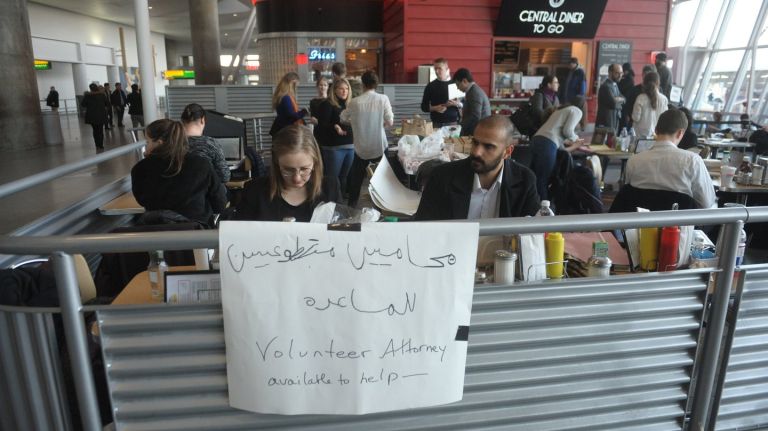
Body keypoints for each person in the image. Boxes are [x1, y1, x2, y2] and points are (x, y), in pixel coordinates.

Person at [414, 115, 540, 221]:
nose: (477, 152)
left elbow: (533, 234)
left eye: (488, 146)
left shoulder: (524, 181)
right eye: (475, 142)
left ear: (507, 152)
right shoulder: (442, 177)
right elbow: (424, 228)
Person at [131, 119, 227, 227]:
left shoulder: (140, 168)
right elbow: (220, 204)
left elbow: (142, 200)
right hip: (196, 232)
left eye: (147, 142)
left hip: (156, 231)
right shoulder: (201, 164)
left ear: (159, 143)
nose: (146, 146)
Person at [235, 124, 340, 222]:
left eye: (304, 169)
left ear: (315, 163)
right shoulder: (254, 191)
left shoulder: (330, 188)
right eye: (288, 170)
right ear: (277, 163)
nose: (297, 178)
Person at [624, 109, 715, 209]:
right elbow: (706, 203)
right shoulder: (692, 161)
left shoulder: (634, 161)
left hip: (640, 222)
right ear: (680, 133)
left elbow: (627, 197)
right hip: (679, 223)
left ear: (656, 130)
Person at [340, 71, 394, 208]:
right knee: (382, 178)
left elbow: (343, 118)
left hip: (361, 147)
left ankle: (352, 206)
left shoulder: (354, 102)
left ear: (363, 84)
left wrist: (355, 122)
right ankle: (382, 207)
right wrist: (380, 124)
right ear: (376, 84)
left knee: (356, 179)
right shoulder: (383, 99)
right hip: (379, 145)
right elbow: (390, 122)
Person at [530, 103, 585, 200]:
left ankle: (532, 208)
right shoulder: (577, 110)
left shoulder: (560, 111)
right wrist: (577, 139)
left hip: (536, 140)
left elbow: (561, 150)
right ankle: (543, 211)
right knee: (543, 181)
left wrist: (574, 145)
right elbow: (568, 131)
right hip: (547, 143)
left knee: (535, 179)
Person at [314, 78, 354, 193]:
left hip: (350, 145)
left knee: (344, 177)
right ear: (334, 90)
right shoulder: (327, 104)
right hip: (334, 147)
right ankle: (330, 201)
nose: (344, 91)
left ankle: (340, 203)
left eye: (346, 89)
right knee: (332, 178)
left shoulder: (350, 105)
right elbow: (322, 125)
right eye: (341, 88)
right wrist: (335, 126)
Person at [180, 103, 230, 183]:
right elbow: (225, 177)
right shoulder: (210, 143)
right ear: (202, 120)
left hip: (177, 193)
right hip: (205, 193)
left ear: (182, 121)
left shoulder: (173, 143)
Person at [420, 57, 460, 128]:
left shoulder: (456, 84)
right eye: (435, 69)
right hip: (436, 124)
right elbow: (423, 107)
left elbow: (465, 104)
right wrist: (435, 108)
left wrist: (457, 104)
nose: (437, 71)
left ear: (447, 69)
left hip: (453, 124)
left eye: (439, 68)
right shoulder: (430, 86)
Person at [453, 68, 491, 137]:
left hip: (479, 131)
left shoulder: (474, 92)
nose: (458, 88)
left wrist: (459, 126)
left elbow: (475, 116)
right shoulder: (472, 90)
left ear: (464, 81)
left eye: (458, 85)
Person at [631, 71, 668, 138]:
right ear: (658, 83)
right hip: (656, 136)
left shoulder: (640, 98)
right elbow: (665, 119)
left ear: (644, 83)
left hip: (640, 136)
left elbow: (635, 118)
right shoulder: (664, 99)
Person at [271, 72, 307, 137]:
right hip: (285, 132)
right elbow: (291, 115)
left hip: (281, 130)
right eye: (296, 85)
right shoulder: (286, 97)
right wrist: (304, 111)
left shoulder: (281, 96)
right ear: (292, 83)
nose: (296, 88)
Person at [622, 64, 656, 130]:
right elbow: (628, 105)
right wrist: (629, 117)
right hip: (635, 124)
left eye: (649, 75)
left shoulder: (658, 91)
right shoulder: (634, 89)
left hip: (652, 125)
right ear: (642, 74)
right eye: (645, 74)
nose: (647, 77)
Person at [596, 63, 625, 135]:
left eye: (621, 73)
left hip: (614, 121)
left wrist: (619, 99)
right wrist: (619, 102)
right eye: (617, 73)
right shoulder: (606, 86)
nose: (620, 76)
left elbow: (624, 99)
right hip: (606, 123)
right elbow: (614, 104)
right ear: (610, 72)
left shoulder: (615, 85)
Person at [81, 83, 109, 149]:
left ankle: (97, 145)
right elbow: (107, 103)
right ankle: (101, 145)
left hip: (92, 116)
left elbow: (83, 104)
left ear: (90, 89)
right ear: (96, 88)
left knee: (95, 130)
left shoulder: (87, 96)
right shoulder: (101, 95)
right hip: (101, 115)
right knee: (100, 130)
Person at [561, 57, 587, 129]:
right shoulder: (570, 71)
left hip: (575, 98)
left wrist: (579, 97)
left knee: (575, 114)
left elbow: (583, 85)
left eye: (570, 64)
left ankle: (575, 128)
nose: (569, 65)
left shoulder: (580, 72)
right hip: (567, 97)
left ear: (575, 64)